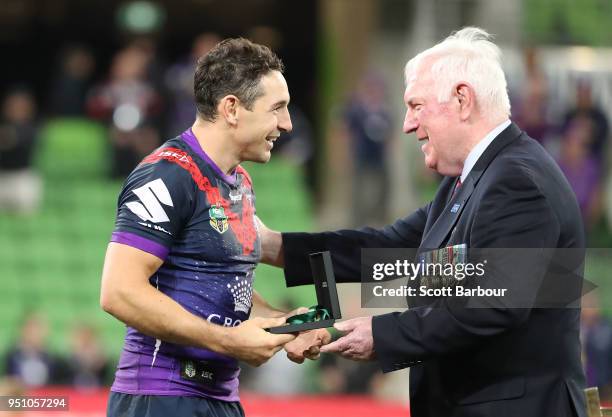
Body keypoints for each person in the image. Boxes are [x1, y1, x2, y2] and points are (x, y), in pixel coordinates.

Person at [259, 27, 587, 417]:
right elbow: (385, 249)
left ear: (462, 100)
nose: (407, 124)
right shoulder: (468, 181)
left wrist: (380, 335)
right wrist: (273, 246)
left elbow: (493, 303)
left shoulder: (516, 180)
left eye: (416, 106)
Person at [100, 38, 328, 417]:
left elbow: (222, 287)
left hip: (220, 397)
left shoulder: (238, 182)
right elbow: (118, 293)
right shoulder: (167, 174)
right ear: (232, 109)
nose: (287, 124)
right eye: (278, 109)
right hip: (161, 398)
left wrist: (280, 324)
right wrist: (227, 341)